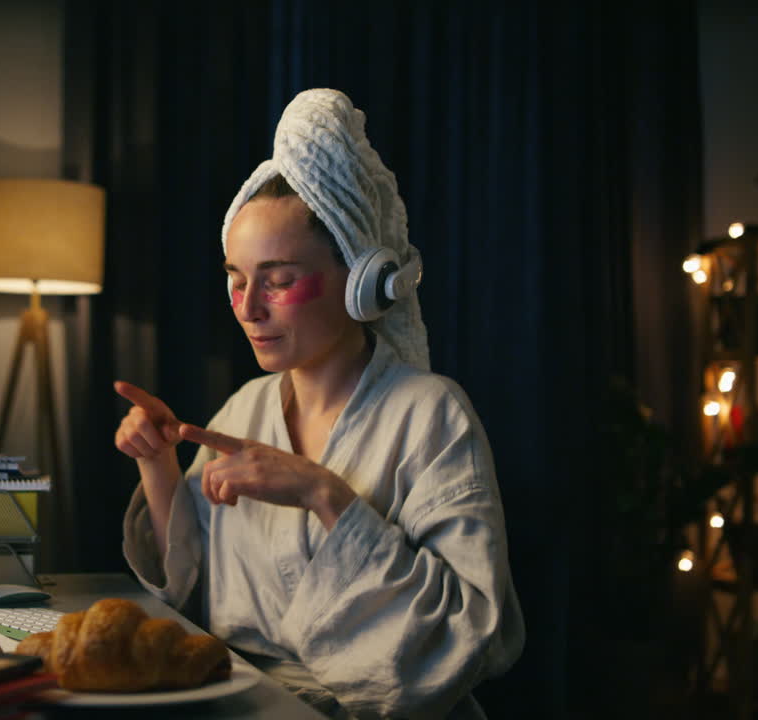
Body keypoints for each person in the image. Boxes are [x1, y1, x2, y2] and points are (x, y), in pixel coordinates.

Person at [115, 88, 524, 719]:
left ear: (361, 282)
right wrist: (158, 462)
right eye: (236, 280)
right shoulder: (246, 409)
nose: (250, 309)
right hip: (243, 702)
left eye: (279, 281)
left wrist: (322, 493)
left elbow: (465, 636)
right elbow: (190, 587)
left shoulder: (431, 416)